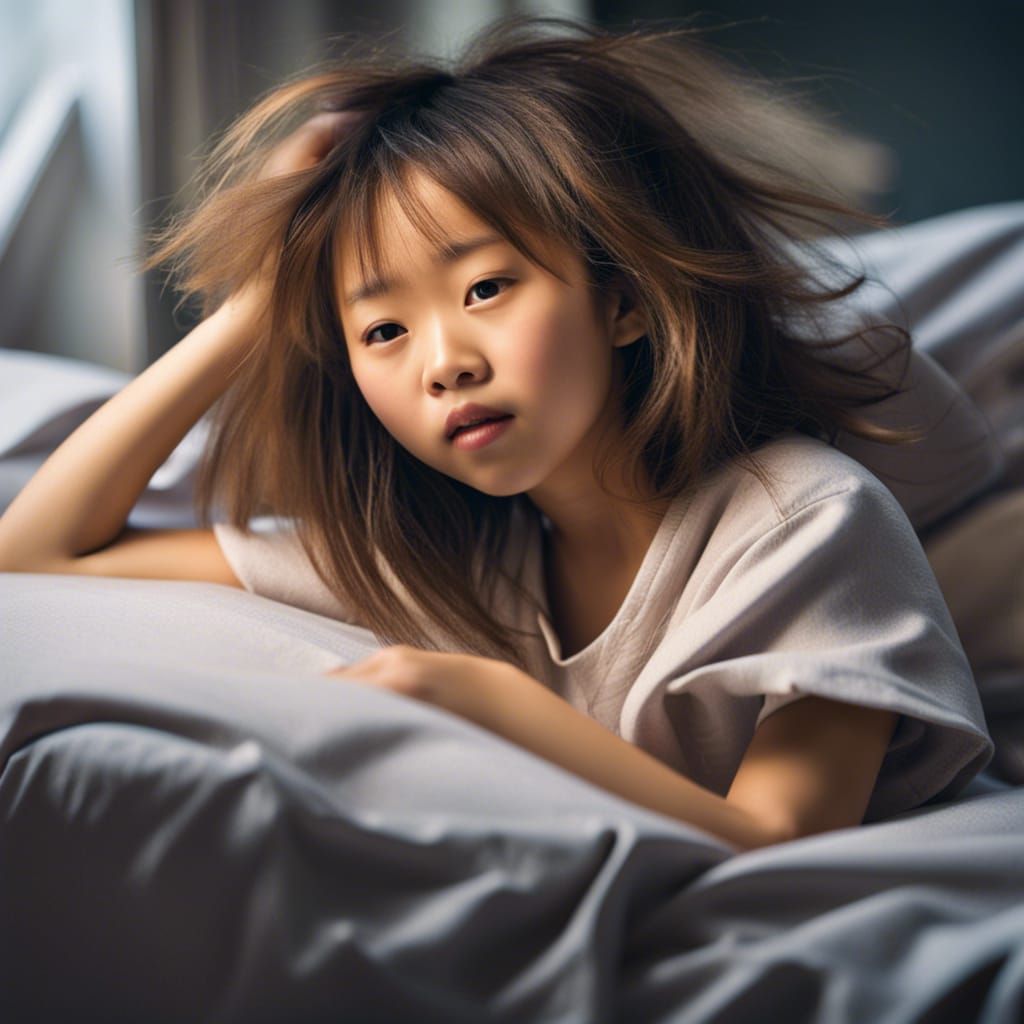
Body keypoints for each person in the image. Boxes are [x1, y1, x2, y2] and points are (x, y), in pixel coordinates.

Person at [0, 16, 1001, 852]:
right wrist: (259, 303)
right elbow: (34, 553)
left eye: (487, 287)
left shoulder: (806, 521)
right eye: (383, 330)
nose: (444, 362)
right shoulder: (443, 558)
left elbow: (776, 835)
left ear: (623, 301)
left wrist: (487, 701)